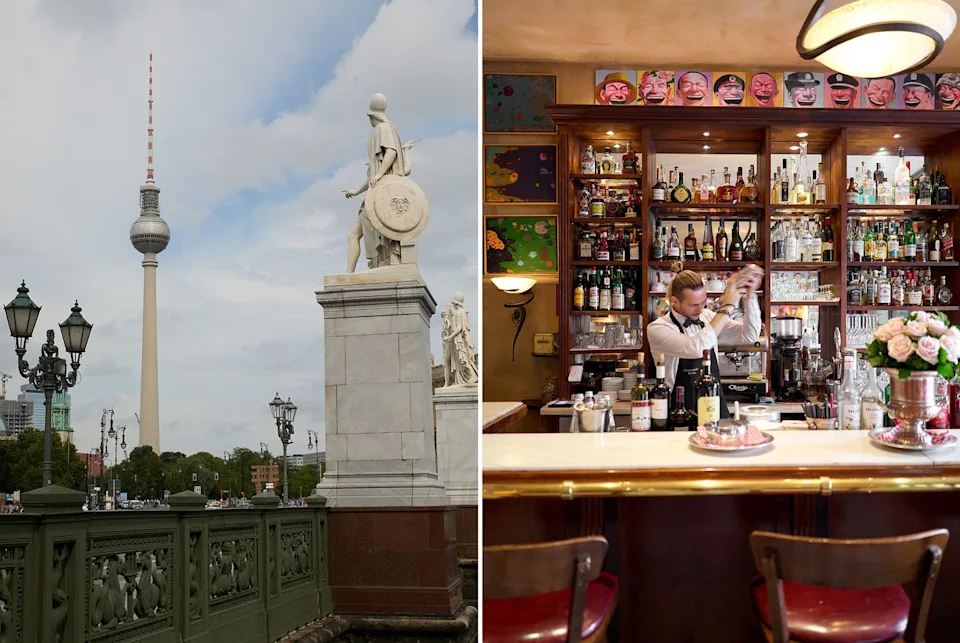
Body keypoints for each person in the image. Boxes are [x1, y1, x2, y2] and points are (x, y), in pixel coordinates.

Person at [647, 263, 763, 419]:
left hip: (714, 404)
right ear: (674, 301)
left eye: (703, 303)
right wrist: (727, 306)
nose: (700, 309)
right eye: (694, 305)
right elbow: (695, 348)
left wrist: (749, 296)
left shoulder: (707, 317)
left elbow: (749, 336)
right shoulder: (658, 328)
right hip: (680, 410)